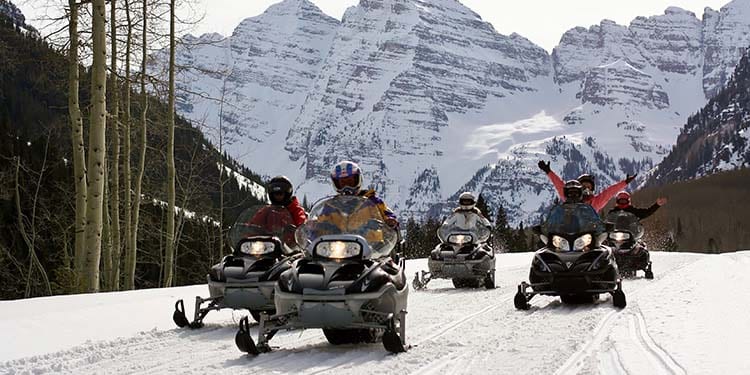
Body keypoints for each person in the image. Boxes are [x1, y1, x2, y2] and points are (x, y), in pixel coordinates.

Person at [538, 160, 636, 212]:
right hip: (569, 231)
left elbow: (610, 192)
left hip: (589, 233)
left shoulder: (596, 202)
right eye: (583, 186)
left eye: (588, 186)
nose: (586, 189)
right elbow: (559, 185)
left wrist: (625, 182)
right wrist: (548, 172)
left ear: (592, 188)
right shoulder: (569, 198)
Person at [330, 160, 399, 228]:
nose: (347, 187)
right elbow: (322, 220)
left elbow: (388, 214)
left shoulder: (373, 202)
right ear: (336, 185)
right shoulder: (332, 205)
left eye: (350, 182)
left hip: (372, 238)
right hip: (338, 239)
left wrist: (390, 220)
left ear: (358, 180)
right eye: (343, 184)